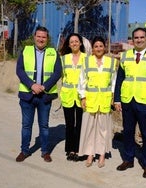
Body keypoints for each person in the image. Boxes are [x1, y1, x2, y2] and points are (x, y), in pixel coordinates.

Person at [114, 27, 146, 178]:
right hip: (128, 100)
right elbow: (119, 79)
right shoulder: (125, 56)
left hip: (145, 102)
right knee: (128, 132)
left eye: (142, 37)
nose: (139, 40)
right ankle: (128, 159)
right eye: (136, 38)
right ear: (132, 40)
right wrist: (117, 99)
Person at [15, 26, 62, 162]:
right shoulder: (26, 50)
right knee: (26, 125)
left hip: (44, 96)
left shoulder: (53, 52)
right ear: (34, 37)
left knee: (44, 126)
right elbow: (20, 70)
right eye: (39, 36)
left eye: (44, 37)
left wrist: (44, 86)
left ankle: (45, 151)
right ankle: (24, 151)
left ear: (47, 39)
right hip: (27, 95)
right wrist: (32, 85)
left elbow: (57, 72)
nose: (41, 39)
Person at [78, 36, 117, 168]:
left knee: (103, 129)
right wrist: (82, 97)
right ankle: (90, 154)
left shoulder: (111, 62)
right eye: (96, 46)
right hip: (91, 100)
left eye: (101, 46)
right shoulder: (87, 62)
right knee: (89, 128)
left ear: (104, 48)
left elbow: (113, 82)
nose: (99, 48)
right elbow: (82, 80)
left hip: (105, 100)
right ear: (92, 49)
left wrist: (113, 96)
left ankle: (101, 155)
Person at [59, 33, 86, 162]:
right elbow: (62, 76)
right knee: (69, 124)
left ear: (80, 43)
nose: (74, 43)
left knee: (80, 124)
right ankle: (70, 149)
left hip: (82, 96)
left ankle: (78, 149)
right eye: (71, 42)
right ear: (68, 45)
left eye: (76, 41)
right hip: (68, 95)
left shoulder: (87, 58)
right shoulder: (64, 59)